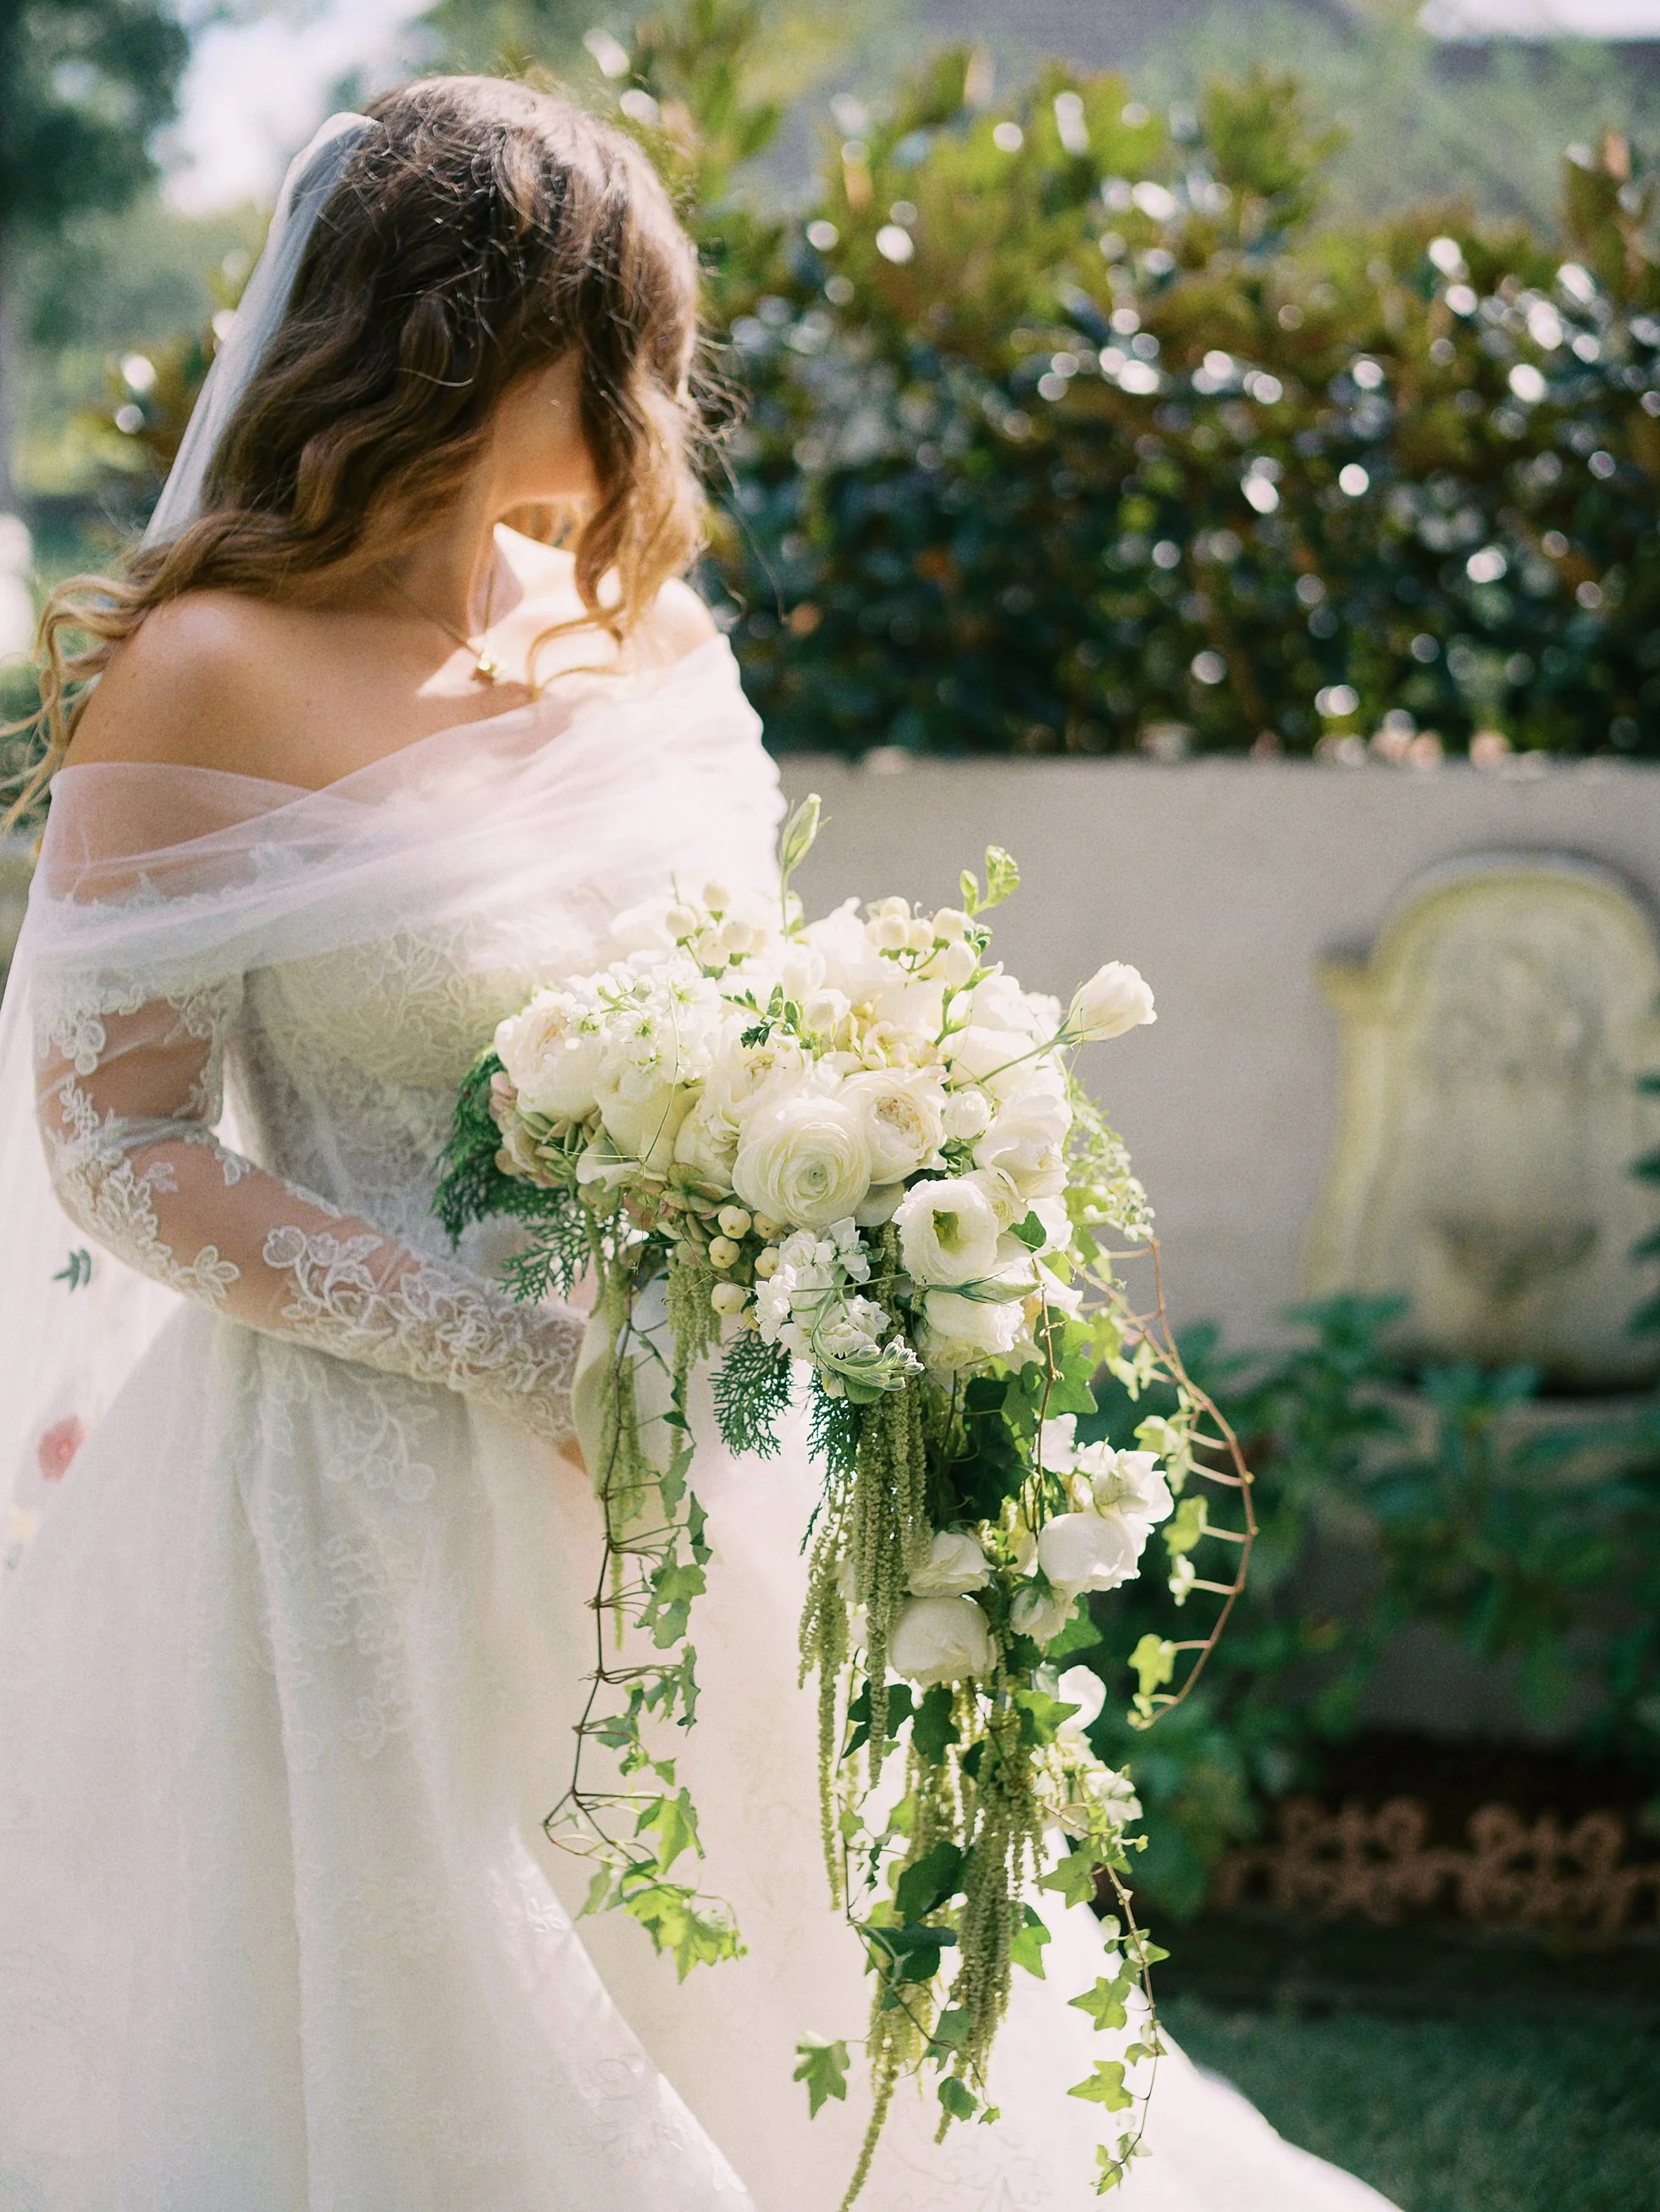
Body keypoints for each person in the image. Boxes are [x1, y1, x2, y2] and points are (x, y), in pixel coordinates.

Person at [0, 76, 1398, 2212]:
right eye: (622, 341)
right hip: (358, 1511)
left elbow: (765, 999)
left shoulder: (632, 634)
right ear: (462, 344)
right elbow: (126, 1153)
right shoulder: (211, 671)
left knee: (779, 1984)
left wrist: (890, 1167)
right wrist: (528, 1361)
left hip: (722, 1454)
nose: (659, 393)